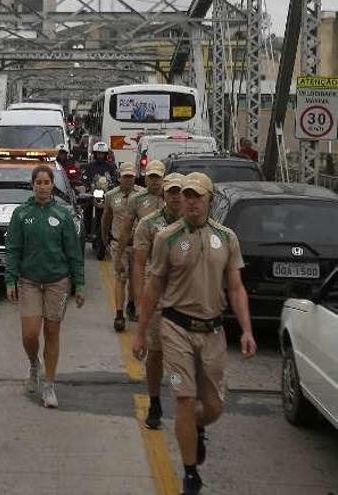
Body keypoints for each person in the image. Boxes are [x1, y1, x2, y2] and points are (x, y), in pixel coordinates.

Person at [132, 172, 257, 495]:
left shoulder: (227, 238)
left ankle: (198, 428)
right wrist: (141, 331)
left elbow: (236, 286)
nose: (190, 201)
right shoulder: (167, 237)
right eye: (186, 195)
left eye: (196, 196)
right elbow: (153, 285)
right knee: (185, 400)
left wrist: (246, 330)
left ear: (209, 201)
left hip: (212, 331)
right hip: (176, 328)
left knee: (213, 407)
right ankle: (190, 474)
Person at [5, 165, 85, 408]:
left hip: (57, 282)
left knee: (52, 331)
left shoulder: (62, 215)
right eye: (38, 182)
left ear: (52, 185)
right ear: (32, 185)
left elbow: (73, 251)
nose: (42, 186)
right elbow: (13, 249)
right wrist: (11, 279)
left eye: (46, 182)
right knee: (30, 334)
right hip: (29, 281)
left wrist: (79, 283)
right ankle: (33, 364)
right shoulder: (21, 214)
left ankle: (49, 385)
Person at [132, 172, 184, 431]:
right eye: (171, 191)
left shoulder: (195, 224)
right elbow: (140, 264)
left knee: (185, 358)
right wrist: (141, 302)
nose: (175, 196)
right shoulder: (149, 224)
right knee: (156, 354)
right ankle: (154, 401)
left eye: (180, 192)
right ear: (164, 194)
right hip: (159, 299)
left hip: (187, 300)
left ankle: (187, 405)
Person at [115, 159, 166, 321]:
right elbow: (125, 230)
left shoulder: (173, 197)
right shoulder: (136, 199)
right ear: (145, 179)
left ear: (163, 178)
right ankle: (137, 309)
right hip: (144, 255)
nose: (155, 181)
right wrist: (118, 256)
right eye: (151, 177)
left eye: (158, 177)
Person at [101, 163, 144, 332]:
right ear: (120, 177)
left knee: (135, 278)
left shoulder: (141, 195)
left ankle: (132, 304)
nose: (128, 180)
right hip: (118, 243)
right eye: (125, 176)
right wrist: (104, 238)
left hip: (138, 244)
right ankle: (119, 314)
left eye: (131, 177)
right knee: (120, 277)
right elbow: (106, 217)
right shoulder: (111, 196)